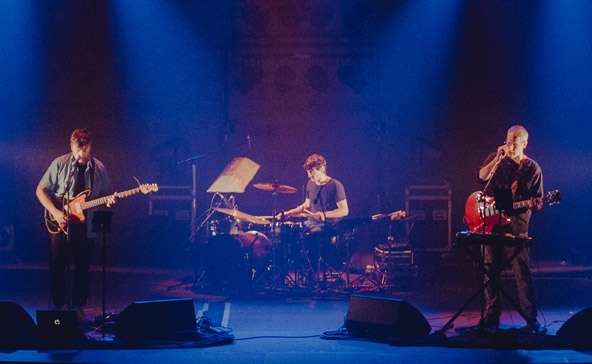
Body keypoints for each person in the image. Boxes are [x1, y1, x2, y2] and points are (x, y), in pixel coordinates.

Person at [36, 128, 115, 317]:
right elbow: (40, 190)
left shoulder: (98, 168)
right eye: (78, 152)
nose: (82, 157)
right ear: (71, 146)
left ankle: (79, 307)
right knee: (57, 264)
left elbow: (106, 194)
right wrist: (55, 212)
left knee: (83, 266)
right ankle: (59, 306)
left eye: (85, 152)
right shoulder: (59, 164)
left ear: (90, 147)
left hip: (85, 226)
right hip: (60, 223)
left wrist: (109, 200)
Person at [477, 125, 544, 334]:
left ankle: (531, 320)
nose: (510, 143)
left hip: (517, 228)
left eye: (515, 140)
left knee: (522, 275)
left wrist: (534, 204)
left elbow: (539, 201)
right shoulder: (498, 160)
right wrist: (497, 159)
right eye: (508, 139)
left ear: (524, 143)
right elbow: (481, 177)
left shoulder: (533, 168)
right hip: (493, 225)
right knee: (490, 273)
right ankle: (490, 320)